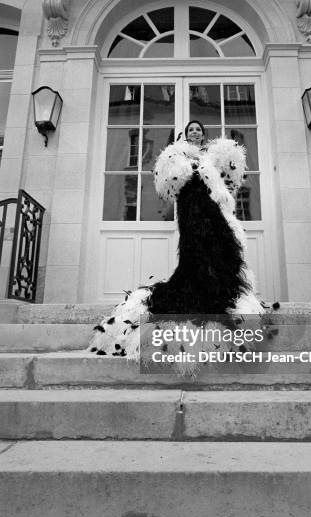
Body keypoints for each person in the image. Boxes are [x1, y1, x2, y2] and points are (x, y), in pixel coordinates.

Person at [88, 120, 265, 358]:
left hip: (211, 207)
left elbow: (230, 182)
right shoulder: (175, 153)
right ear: (185, 134)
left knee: (218, 249)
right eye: (191, 129)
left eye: (198, 130)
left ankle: (215, 289)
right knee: (194, 250)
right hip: (191, 206)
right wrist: (189, 168)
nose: (195, 132)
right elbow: (167, 184)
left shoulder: (212, 155)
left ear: (203, 135)